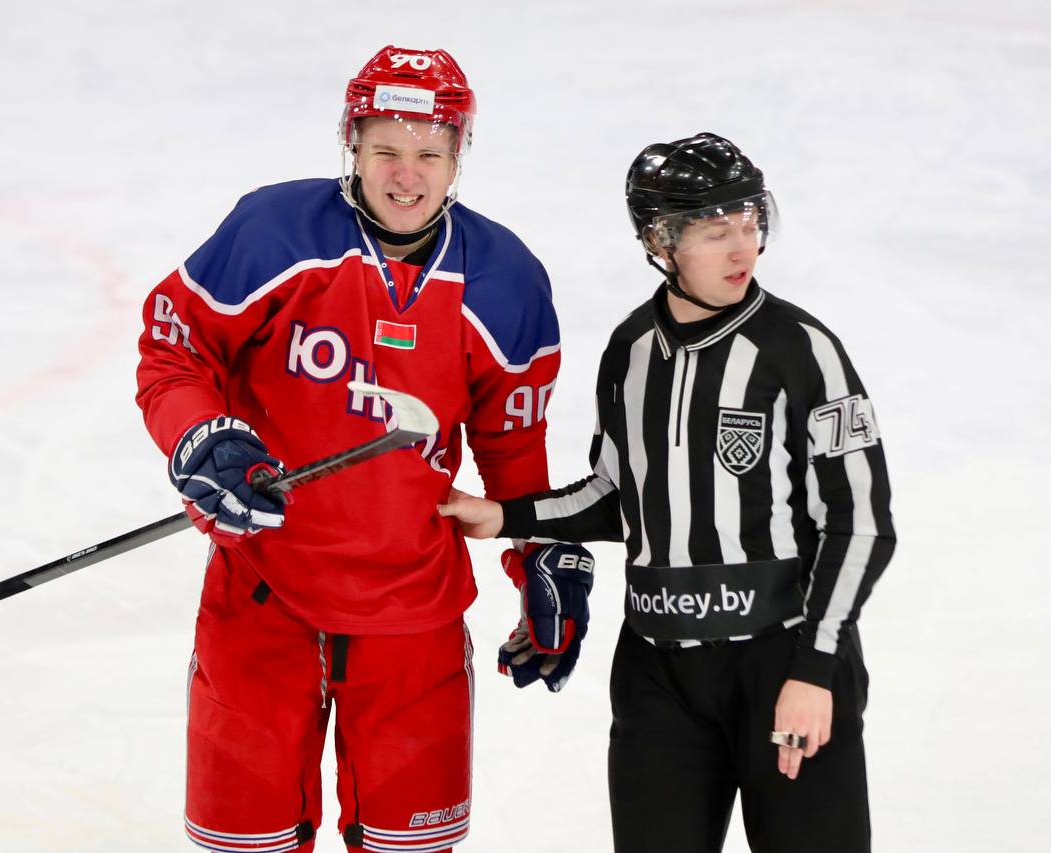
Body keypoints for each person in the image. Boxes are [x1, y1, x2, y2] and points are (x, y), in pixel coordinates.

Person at [135, 45, 592, 852]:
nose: (406, 176)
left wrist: (541, 556)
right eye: (385, 149)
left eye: (429, 155)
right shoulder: (274, 232)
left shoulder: (506, 280)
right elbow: (176, 350)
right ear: (352, 142)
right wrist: (201, 436)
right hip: (262, 602)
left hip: (413, 622)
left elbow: (512, 447)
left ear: (459, 155)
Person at [438, 132, 896, 853]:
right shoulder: (630, 350)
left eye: (750, 223)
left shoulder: (802, 350)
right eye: (717, 232)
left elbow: (861, 521)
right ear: (661, 240)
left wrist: (815, 670)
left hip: (783, 663)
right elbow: (617, 494)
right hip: (658, 675)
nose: (743, 248)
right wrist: (505, 516)